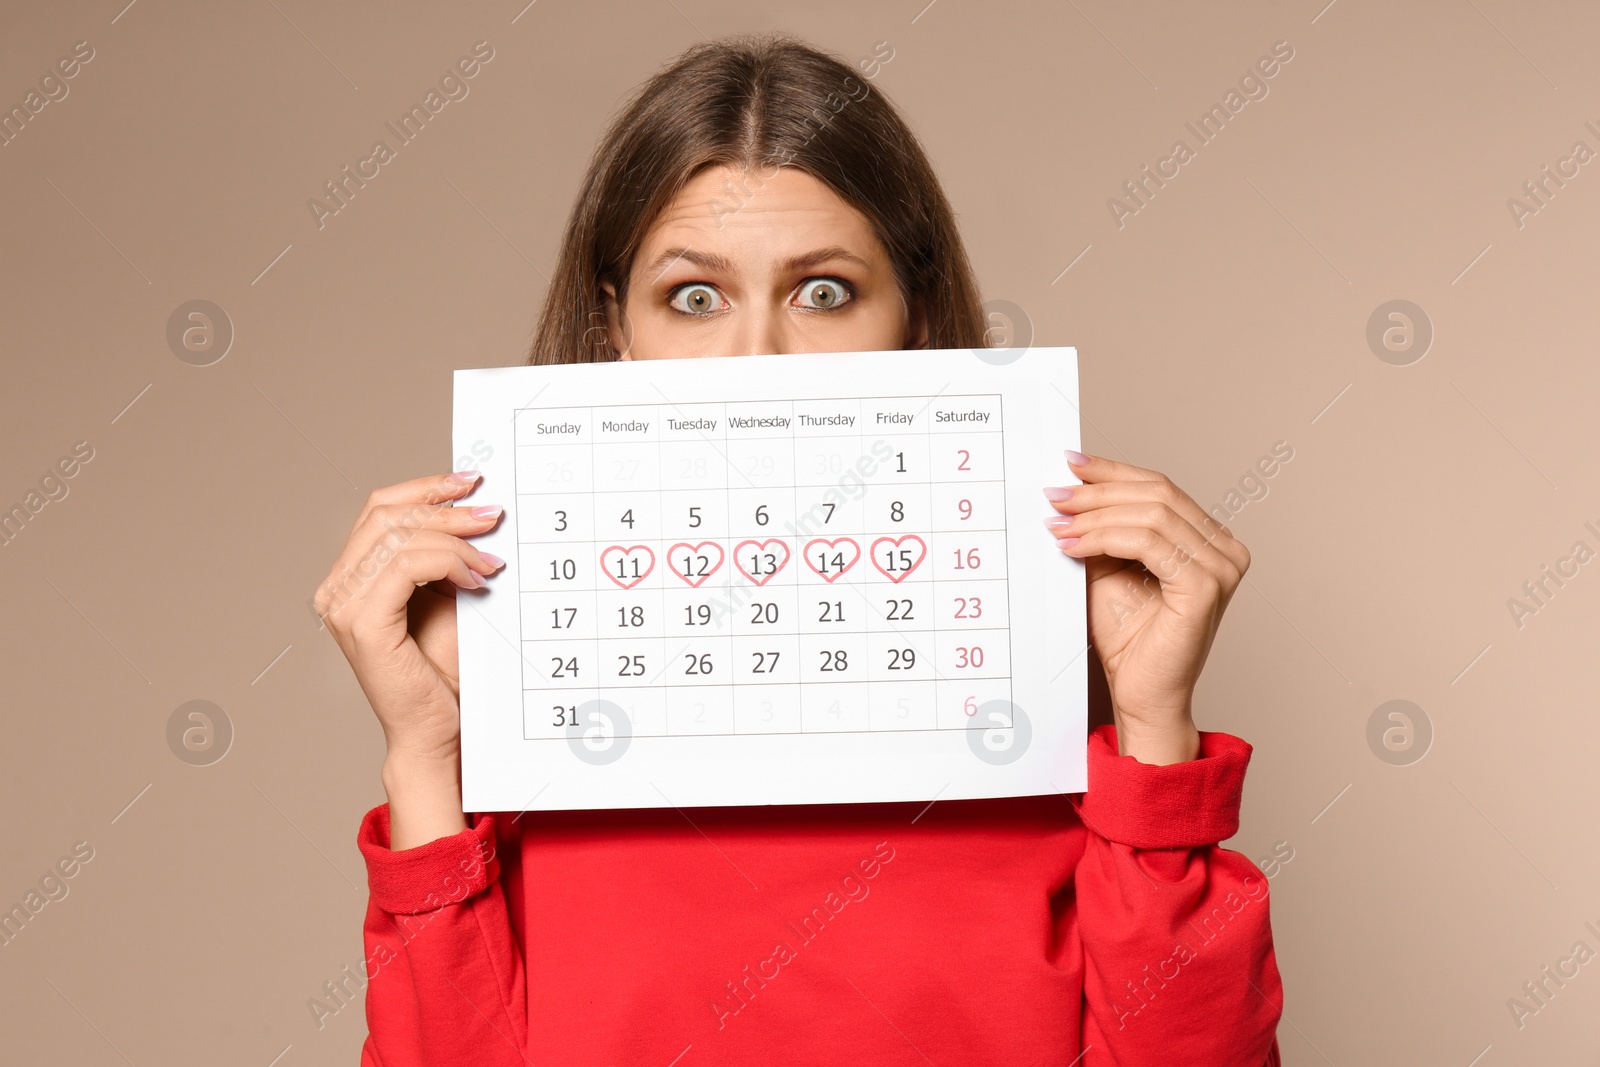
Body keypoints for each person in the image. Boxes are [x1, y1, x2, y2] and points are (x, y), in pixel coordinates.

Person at [315, 32, 1283, 1066]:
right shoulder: (524, 744)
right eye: (694, 297)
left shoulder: (1037, 721)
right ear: (616, 331)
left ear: (913, 319)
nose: (756, 359)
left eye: (821, 291)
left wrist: (1153, 728)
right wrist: (425, 756)